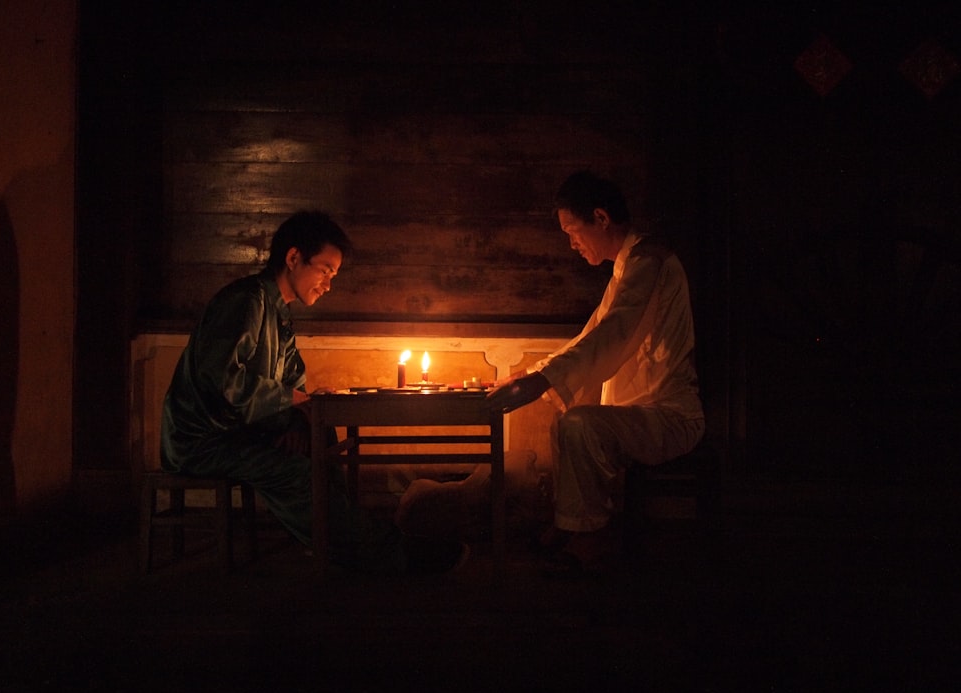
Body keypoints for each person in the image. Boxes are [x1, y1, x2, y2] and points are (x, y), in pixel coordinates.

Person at [160, 210, 466, 574]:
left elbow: (295, 382)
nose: (328, 284)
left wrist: (295, 422)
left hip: (242, 432)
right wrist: (291, 403)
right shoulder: (246, 301)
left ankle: (344, 544)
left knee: (320, 434)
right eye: (324, 270)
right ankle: (387, 555)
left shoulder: (280, 315)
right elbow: (222, 382)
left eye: (333, 275)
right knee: (295, 472)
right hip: (204, 440)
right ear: (293, 258)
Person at [487, 171, 705, 571]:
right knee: (568, 420)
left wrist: (543, 379)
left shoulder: (649, 261)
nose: (571, 243)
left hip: (670, 415)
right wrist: (532, 373)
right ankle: (571, 525)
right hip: (641, 414)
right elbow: (592, 334)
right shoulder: (628, 267)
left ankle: (593, 537)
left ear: (601, 218)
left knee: (580, 424)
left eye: (573, 230)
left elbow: (613, 334)